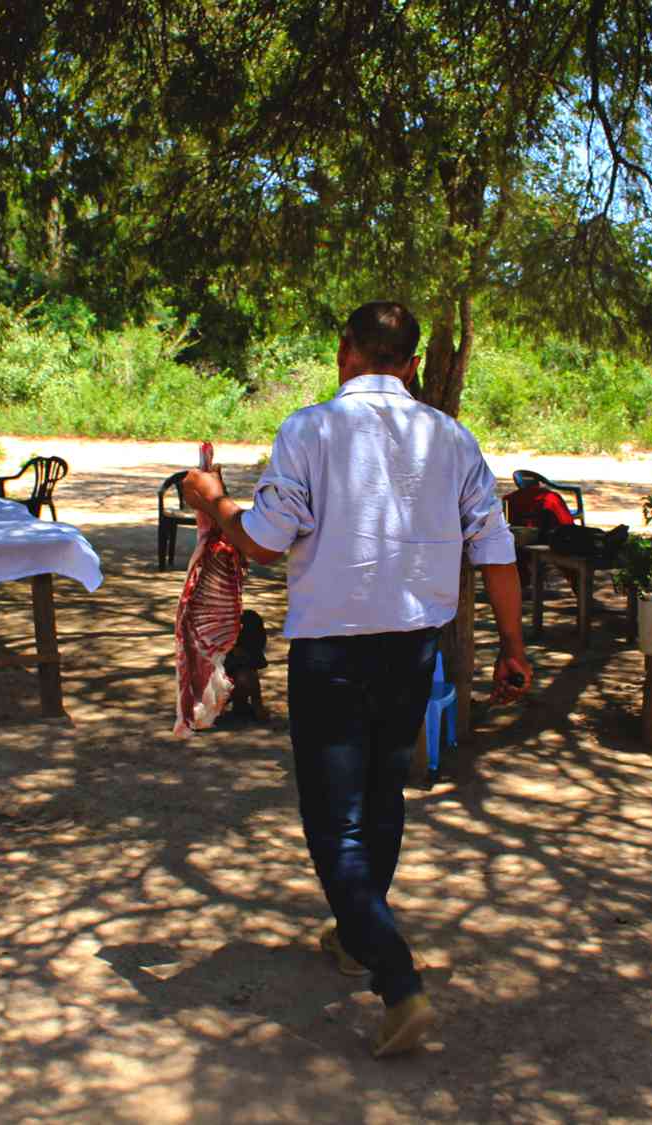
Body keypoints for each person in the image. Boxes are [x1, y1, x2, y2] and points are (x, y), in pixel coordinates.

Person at [182, 301, 532, 1058]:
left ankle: (398, 980)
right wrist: (512, 644)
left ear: (343, 351)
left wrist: (211, 501)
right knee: (380, 795)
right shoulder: (452, 438)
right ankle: (354, 934)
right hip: (413, 651)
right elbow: (494, 546)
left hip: (332, 655)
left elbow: (265, 541)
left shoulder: (309, 430)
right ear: (413, 363)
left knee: (333, 821)